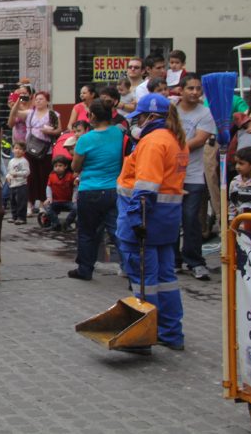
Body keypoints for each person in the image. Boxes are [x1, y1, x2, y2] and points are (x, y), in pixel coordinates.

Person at [116, 93, 189, 352]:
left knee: (144, 281)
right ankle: (171, 332)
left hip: (144, 221)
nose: (138, 122)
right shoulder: (176, 140)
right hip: (166, 222)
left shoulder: (152, 142)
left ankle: (143, 336)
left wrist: (136, 219)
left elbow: (145, 186)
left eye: (140, 117)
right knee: (166, 278)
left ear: (151, 116)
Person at [68, 99, 125, 280]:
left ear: (92, 116)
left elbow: (75, 167)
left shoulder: (85, 139)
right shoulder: (118, 133)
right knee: (118, 232)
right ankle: (133, 272)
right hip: (113, 190)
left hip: (89, 190)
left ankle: (85, 269)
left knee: (87, 232)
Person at [175, 74, 216, 281]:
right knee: (171, 217)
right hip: (169, 175)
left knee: (190, 218)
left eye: (198, 89)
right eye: (190, 88)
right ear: (181, 90)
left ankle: (195, 261)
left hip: (193, 174)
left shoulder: (206, 113)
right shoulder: (171, 109)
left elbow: (200, 140)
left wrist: (170, 148)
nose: (194, 92)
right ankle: (173, 260)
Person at [8, 91, 61, 215]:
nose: (38, 101)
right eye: (36, 99)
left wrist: (50, 132)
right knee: (30, 177)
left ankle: (43, 203)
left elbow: (59, 130)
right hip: (30, 148)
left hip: (45, 150)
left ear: (47, 101)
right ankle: (29, 204)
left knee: (44, 176)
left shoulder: (53, 114)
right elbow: (14, 114)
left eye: (41, 99)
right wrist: (18, 101)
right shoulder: (30, 113)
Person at [44, 155, 76, 231]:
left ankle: (67, 224)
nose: (57, 167)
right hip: (55, 201)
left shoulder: (70, 176)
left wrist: (74, 198)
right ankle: (56, 224)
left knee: (77, 208)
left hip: (68, 201)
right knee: (46, 206)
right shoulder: (51, 176)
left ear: (65, 166)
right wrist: (49, 197)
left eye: (60, 165)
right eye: (55, 166)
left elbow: (76, 187)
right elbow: (48, 187)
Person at [6, 141, 30, 224]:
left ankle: (21, 218)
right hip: (12, 184)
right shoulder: (11, 161)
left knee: (21, 202)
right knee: (13, 201)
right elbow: (9, 171)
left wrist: (17, 174)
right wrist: (8, 177)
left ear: (24, 151)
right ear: (13, 150)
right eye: (16, 148)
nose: (18, 150)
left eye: (20, 149)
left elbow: (27, 172)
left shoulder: (24, 161)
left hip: (21, 184)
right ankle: (14, 216)